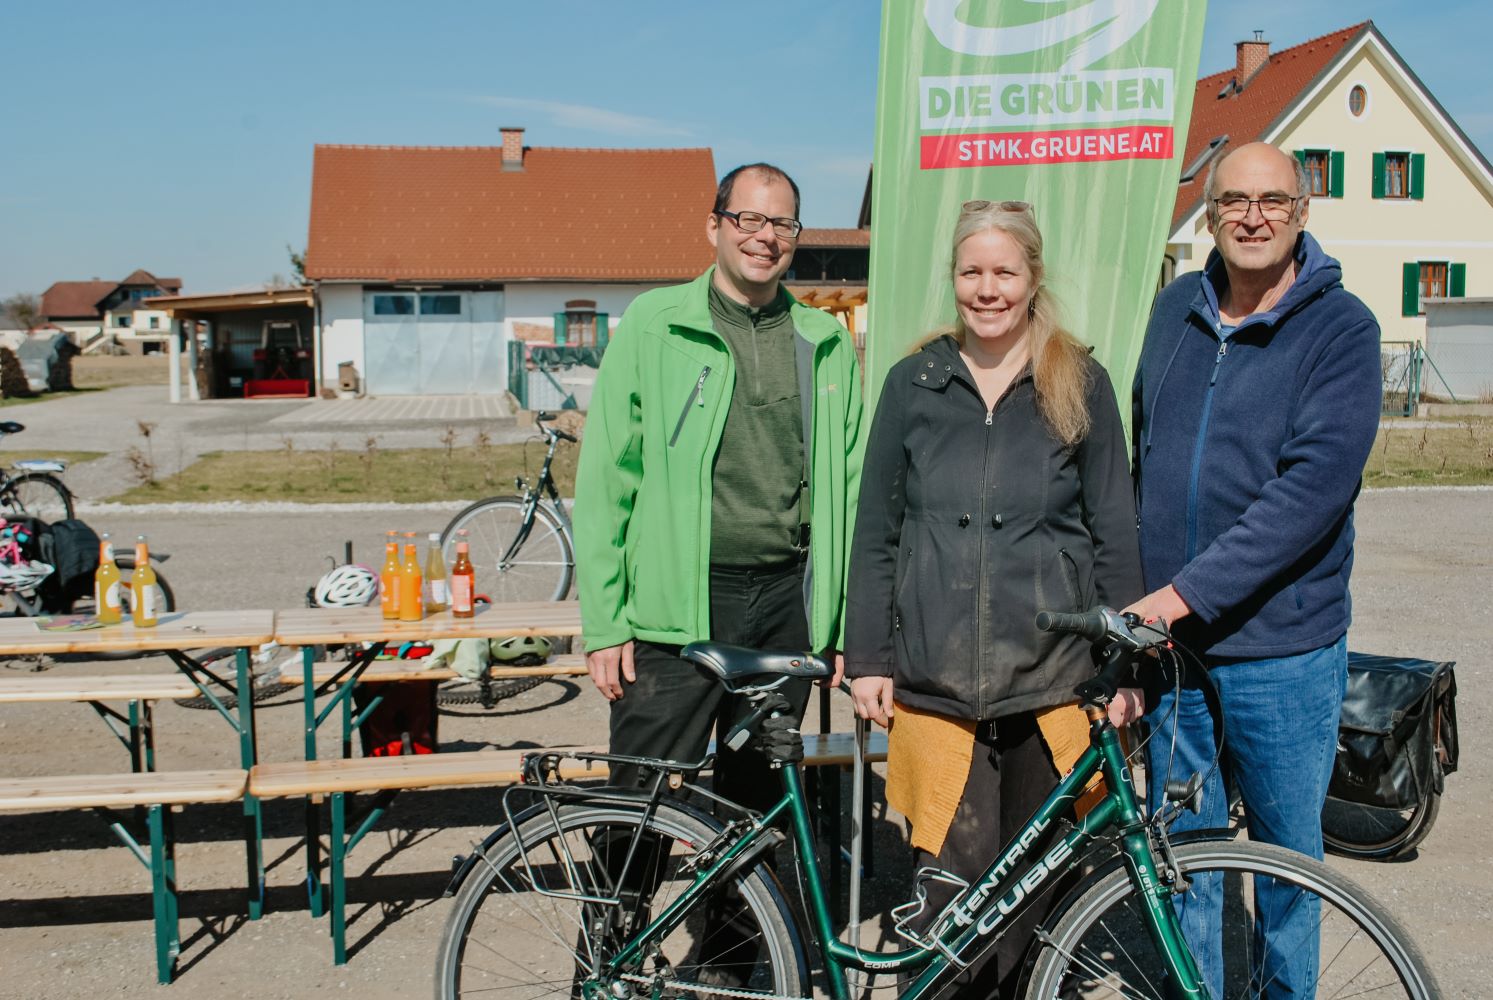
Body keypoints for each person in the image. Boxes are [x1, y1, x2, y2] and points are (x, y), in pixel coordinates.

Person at [844, 199, 1142, 999]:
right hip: (937, 678)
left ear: (1031, 277)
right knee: (950, 881)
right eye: (971, 271)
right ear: (954, 279)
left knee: (1039, 890)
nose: (987, 289)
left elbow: (1112, 528)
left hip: (1051, 674)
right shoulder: (915, 382)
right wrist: (867, 656)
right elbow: (877, 528)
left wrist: (1125, 668)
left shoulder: (1078, 380)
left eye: (1003, 272)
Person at [1129, 141, 1382, 996]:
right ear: (1208, 213)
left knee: (1285, 873)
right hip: (1174, 659)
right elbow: (1143, 451)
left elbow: (1309, 493)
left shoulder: (1341, 329)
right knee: (1185, 866)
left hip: (1281, 653)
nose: (1251, 216)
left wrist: (1180, 594)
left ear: (1301, 213)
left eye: (1271, 201)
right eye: (1233, 200)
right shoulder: (1173, 311)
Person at [573, 162, 864, 814]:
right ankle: (616, 918)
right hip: (673, 610)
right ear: (715, 225)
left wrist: (842, 622)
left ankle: (740, 922)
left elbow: (849, 487)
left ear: (796, 234)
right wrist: (603, 625)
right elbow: (605, 481)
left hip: (786, 608)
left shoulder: (823, 341)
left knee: (758, 805)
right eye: (748, 218)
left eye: (781, 222)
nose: (764, 236)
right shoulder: (655, 324)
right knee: (639, 798)